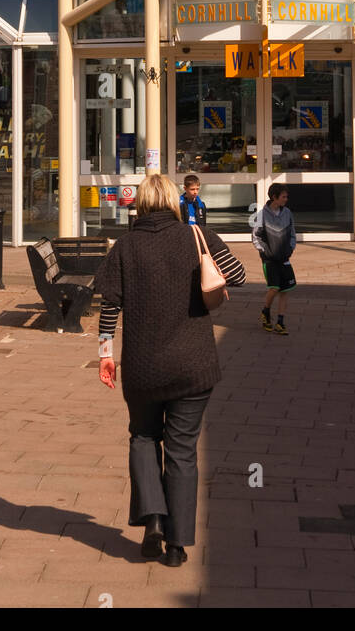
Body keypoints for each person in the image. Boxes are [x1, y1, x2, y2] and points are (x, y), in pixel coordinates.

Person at [95, 174, 246, 567]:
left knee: (143, 438)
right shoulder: (198, 237)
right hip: (194, 368)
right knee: (182, 452)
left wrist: (105, 354)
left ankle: (153, 522)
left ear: (140, 204)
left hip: (143, 368)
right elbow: (241, 277)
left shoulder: (125, 247)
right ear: (174, 202)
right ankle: (177, 546)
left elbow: (109, 306)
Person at [252, 183, 296, 336]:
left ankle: (280, 322)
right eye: (283, 197)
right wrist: (266, 252)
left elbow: (292, 234)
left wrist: (290, 248)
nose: (286, 199)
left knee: (285, 290)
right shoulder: (260, 216)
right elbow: (255, 237)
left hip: (284, 258)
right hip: (270, 260)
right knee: (274, 287)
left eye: (286, 196)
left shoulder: (288, 213)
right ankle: (266, 311)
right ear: (274, 197)